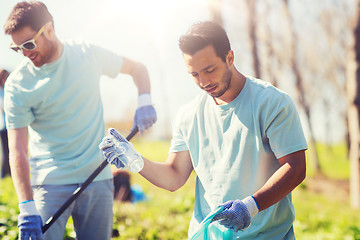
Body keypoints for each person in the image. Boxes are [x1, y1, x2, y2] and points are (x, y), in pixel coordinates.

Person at [100, 21, 307, 239]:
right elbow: (174, 176)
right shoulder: (189, 115)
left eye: (209, 70)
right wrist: (135, 159)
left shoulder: (272, 103)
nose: (203, 82)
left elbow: (295, 168)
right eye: (194, 74)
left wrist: (251, 206)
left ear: (229, 58)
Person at [4, 1, 156, 240]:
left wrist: (145, 99)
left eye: (29, 44)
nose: (25, 53)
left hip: (97, 176)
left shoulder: (87, 54)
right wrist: (26, 207)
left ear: (50, 29)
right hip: (49, 183)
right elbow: (17, 150)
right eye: (17, 48)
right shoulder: (18, 85)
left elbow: (138, 68)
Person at [0, 69, 10, 178]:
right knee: (5, 153)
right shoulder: (1, 93)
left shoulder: (10, 89)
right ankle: (4, 174)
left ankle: (11, 173)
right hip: (4, 127)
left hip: (13, 126)